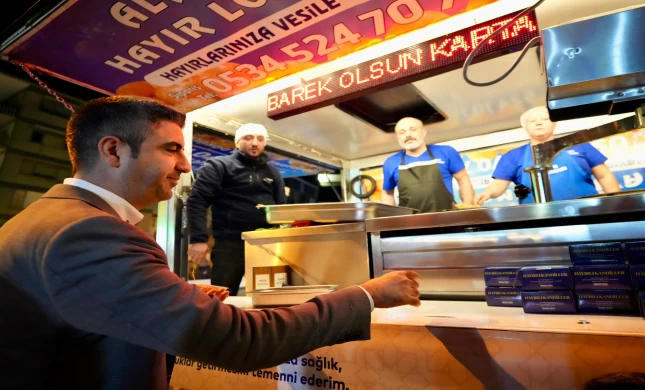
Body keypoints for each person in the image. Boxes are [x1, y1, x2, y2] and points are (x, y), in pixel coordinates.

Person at [0, 96, 422, 390]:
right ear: (113, 150)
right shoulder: (87, 233)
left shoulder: (47, 218)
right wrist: (366, 295)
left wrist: (171, 290)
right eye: (171, 149)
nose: (185, 166)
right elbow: (240, 339)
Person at [187, 123, 284, 295]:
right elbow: (197, 201)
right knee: (222, 297)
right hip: (230, 244)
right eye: (248, 138)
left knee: (270, 295)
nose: (254, 143)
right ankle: (218, 323)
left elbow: (282, 209)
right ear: (237, 142)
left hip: (266, 243)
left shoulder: (273, 172)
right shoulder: (218, 166)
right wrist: (198, 239)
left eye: (260, 139)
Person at [474, 106, 621, 205]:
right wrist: (487, 194)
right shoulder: (513, 156)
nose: (538, 123)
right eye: (532, 121)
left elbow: (604, 176)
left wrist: (616, 204)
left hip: (589, 213)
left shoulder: (579, 145)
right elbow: (499, 184)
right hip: (538, 222)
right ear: (525, 127)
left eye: (544, 119)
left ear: (554, 123)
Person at [381, 117, 475, 212]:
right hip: (410, 223)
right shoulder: (391, 162)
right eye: (402, 132)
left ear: (423, 132)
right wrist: (391, 220)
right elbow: (387, 194)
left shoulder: (446, 152)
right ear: (397, 137)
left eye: (413, 129)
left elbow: (463, 180)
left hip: (447, 220)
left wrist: (467, 209)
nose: (408, 135)